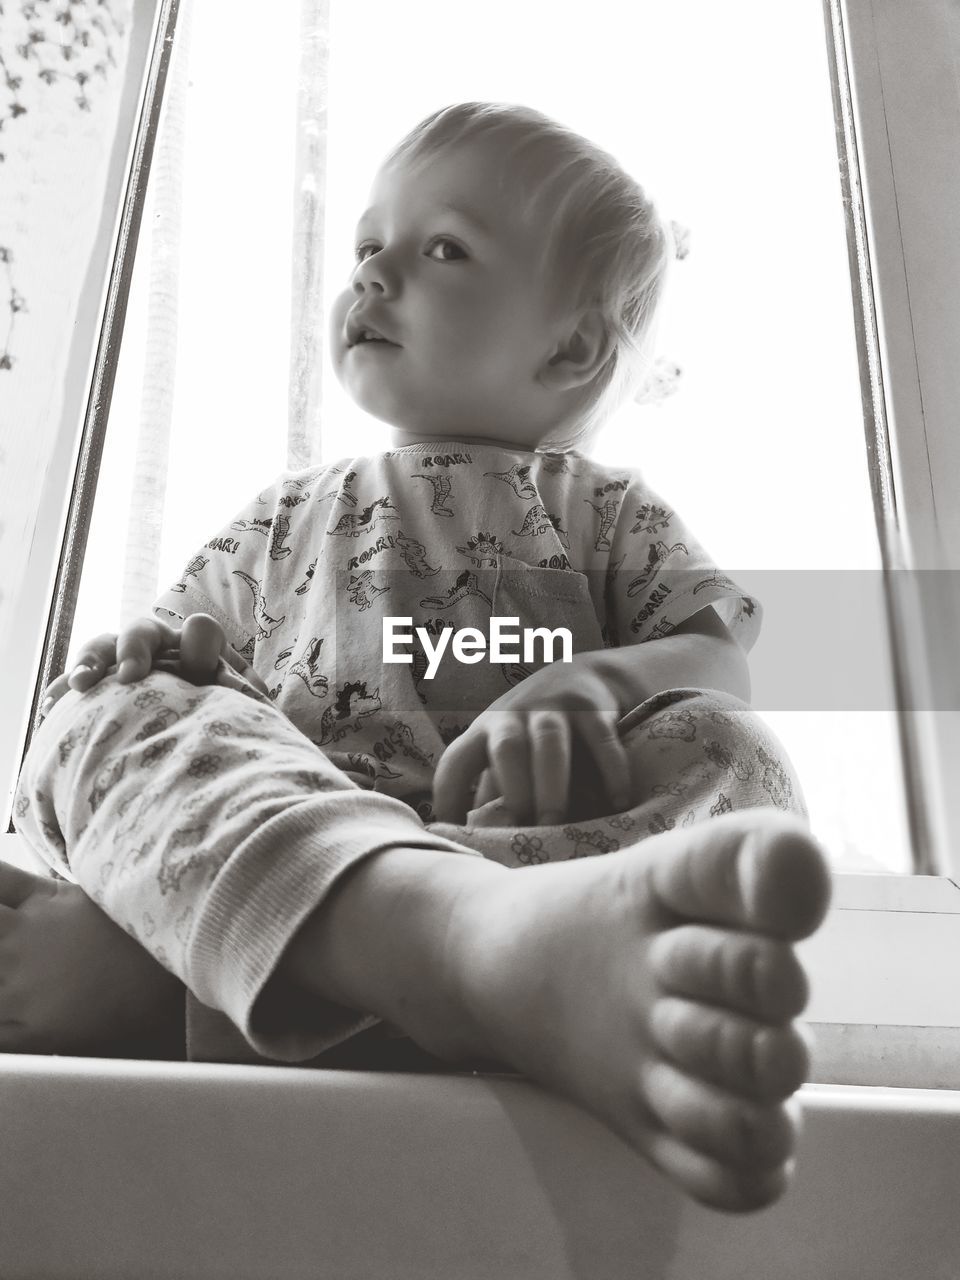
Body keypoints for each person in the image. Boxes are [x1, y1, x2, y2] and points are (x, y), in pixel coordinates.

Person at [5, 102, 830, 1213]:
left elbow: (720, 653)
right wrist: (159, 652)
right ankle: (451, 961)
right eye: (365, 247)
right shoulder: (283, 513)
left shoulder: (606, 509)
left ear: (573, 344)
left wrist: (601, 677)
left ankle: (220, 984)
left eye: (441, 247)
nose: (376, 273)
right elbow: (180, 660)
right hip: (301, 836)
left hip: (524, 864)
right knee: (109, 699)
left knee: (727, 744)